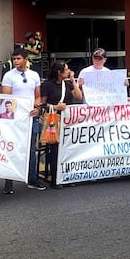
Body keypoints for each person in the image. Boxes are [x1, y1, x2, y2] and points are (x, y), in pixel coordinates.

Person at [1, 48, 46, 193]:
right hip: (15, 119)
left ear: (26, 59)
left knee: (31, 149)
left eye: (18, 59)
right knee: (12, 148)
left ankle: (32, 178)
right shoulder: (8, 76)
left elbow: (37, 97)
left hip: (30, 117)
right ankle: (9, 181)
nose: (15, 61)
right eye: (14, 59)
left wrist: (37, 108)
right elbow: (6, 99)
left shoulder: (34, 75)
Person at [40, 60, 82, 189]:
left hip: (67, 121)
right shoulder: (47, 85)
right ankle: (55, 178)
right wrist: (55, 106)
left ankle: (66, 176)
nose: (69, 71)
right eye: (66, 69)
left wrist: (73, 81)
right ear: (59, 72)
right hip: (54, 120)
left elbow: (79, 97)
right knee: (55, 149)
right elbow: (42, 103)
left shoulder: (67, 84)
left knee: (67, 148)